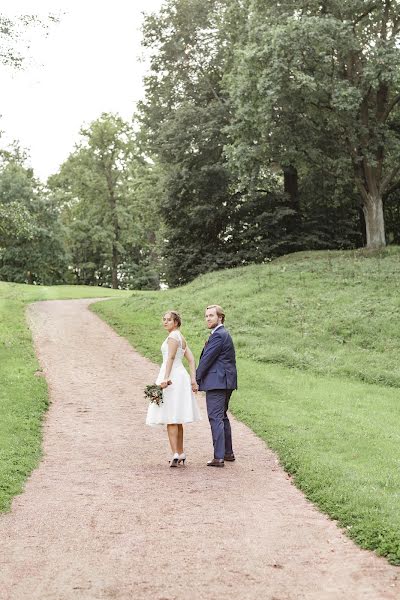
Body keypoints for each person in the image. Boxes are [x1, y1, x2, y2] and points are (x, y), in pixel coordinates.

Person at [146, 310, 201, 466]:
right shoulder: (181, 337)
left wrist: (165, 378)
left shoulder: (172, 337)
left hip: (172, 377)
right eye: (164, 319)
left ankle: (175, 454)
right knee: (177, 418)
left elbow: (170, 357)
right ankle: (181, 452)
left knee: (171, 417)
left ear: (176, 322)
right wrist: (192, 379)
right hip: (181, 377)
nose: (165, 322)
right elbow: (191, 360)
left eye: (169, 320)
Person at [196, 304, 237, 467]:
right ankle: (227, 453)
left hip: (217, 382)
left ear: (220, 317)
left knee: (215, 417)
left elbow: (207, 360)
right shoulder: (221, 334)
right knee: (222, 416)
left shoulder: (219, 335)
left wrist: (196, 378)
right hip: (225, 381)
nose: (208, 318)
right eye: (206, 316)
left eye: (211, 316)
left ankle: (218, 457)